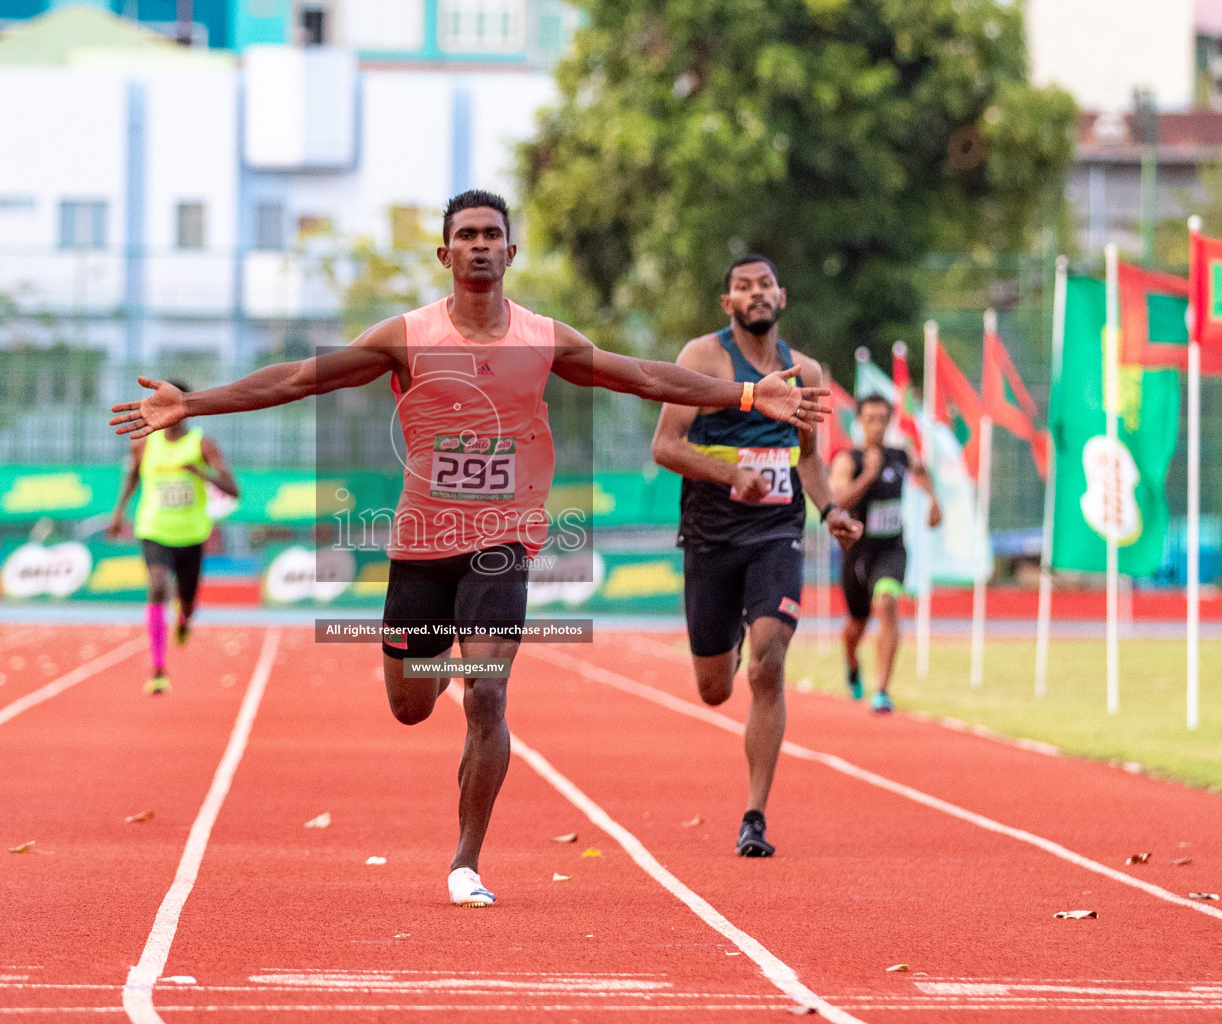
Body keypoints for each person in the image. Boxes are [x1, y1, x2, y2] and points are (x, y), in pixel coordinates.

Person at [111, 191, 830, 906]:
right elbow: (302, 377)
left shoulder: (544, 337)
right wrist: (193, 403)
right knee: (411, 705)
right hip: (422, 547)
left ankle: (465, 861)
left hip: (502, 543)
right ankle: (434, 663)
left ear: (511, 252)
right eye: (468, 235)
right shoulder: (408, 335)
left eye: (494, 235)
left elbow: (640, 375)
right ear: (445, 253)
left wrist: (744, 396)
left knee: (486, 693)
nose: (481, 245)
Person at [652, 254, 862, 858]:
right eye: (743, 287)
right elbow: (666, 445)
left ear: (782, 295)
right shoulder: (702, 359)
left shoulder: (806, 370)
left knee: (768, 663)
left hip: (776, 533)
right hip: (712, 537)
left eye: (765, 283)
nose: (756, 293)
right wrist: (728, 473)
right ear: (728, 304)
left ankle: (754, 816)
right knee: (715, 689)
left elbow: (810, 458)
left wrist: (832, 512)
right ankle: (734, 635)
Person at [108, 379, 240, 695]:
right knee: (156, 585)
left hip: (191, 533)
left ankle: (184, 618)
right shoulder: (143, 443)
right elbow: (132, 478)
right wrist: (118, 513)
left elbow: (233, 490)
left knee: (188, 601)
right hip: (154, 528)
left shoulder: (202, 445)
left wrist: (200, 473)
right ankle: (157, 668)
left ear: (184, 407)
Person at [828, 394, 941, 714]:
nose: (877, 425)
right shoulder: (849, 460)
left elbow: (921, 471)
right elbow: (837, 501)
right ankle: (851, 662)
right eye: (871, 418)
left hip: (891, 549)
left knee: (888, 602)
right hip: (857, 553)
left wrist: (934, 501)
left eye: (882, 418)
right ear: (859, 422)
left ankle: (882, 689)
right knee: (856, 626)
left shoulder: (899, 455)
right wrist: (868, 475)